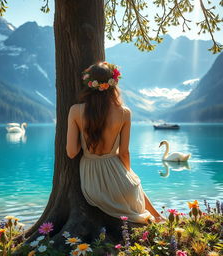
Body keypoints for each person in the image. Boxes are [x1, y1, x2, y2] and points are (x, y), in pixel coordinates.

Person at [66, 61, 164, 224]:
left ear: (88, 84)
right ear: (113, 83)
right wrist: (125, 175)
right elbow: (124, 153)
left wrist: (85, 137)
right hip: (124, 186)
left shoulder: (76, 111)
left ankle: (159, 218)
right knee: (133, 182)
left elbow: (71, 152)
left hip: (93, 185)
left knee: (133, 183)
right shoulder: (124, 112)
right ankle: (160, 218)